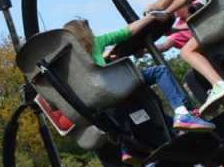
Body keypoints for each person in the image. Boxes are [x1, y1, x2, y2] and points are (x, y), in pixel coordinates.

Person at [64, 16, 212, 132]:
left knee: (141, 101)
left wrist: (106, 58)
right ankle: (183, 113)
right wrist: (150, 18)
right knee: (160, 72)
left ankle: (127, 147)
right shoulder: (97, 42)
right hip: (115, 85)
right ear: (84, 33)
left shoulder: (71, 59)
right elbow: (127, 31)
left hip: (97, 98)